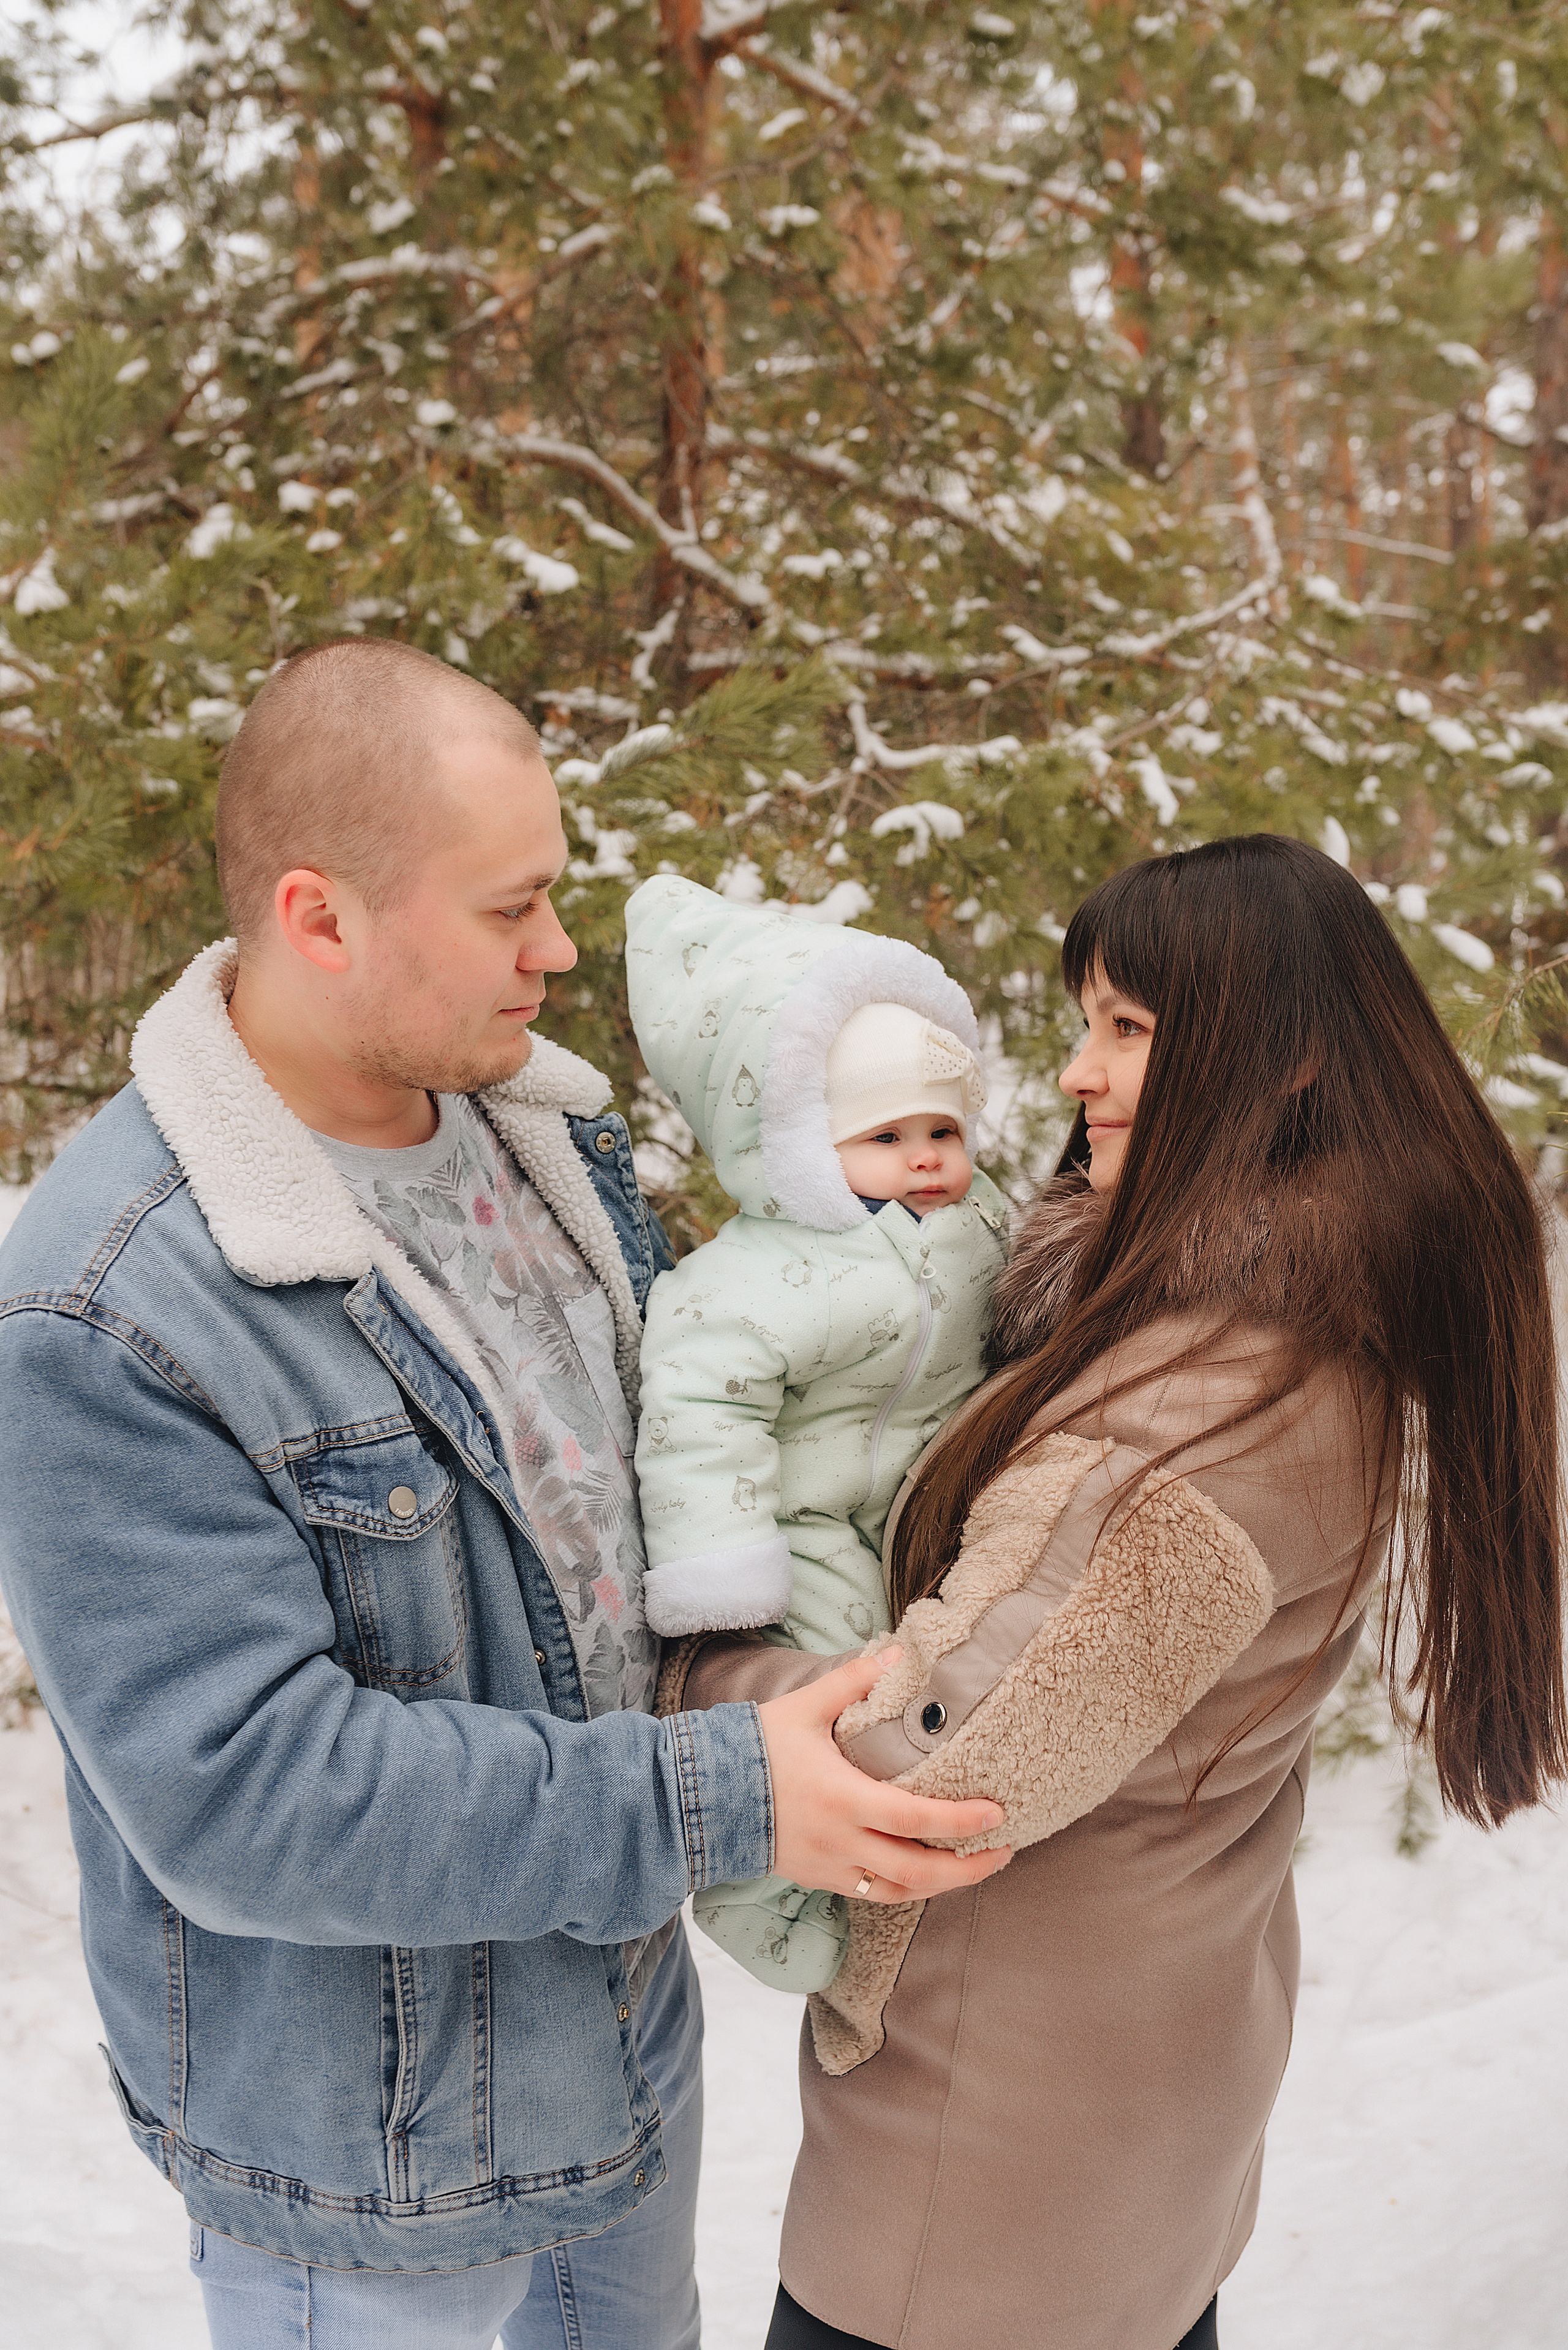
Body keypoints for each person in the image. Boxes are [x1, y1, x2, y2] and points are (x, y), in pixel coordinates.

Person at [0, 638, 1011, 2350]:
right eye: (509, 909)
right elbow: (247, 1793)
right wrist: (717, 1797)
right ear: (320, 917)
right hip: (374, 2158)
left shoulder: (543, 1128)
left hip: (619, 2044)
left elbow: (638, 1514)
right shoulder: (114, 1298)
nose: (557, 950)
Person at [668, 834, 1568, 2350]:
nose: (1077, 1072)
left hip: (991, 2177)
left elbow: (929, 1758)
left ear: (1275, 1058)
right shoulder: (1272, 1318)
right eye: (1085, 1019)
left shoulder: (1193, 1408)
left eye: (1127, 1028)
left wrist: (695, 1667)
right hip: (1133, 2091)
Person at [624, 876, 1009, 1990]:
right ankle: (765, 1902)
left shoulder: (971, 1229)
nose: (928, 1155)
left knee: (931, 1686)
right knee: (829, 1695)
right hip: (806, 1528)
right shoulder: (748, 1276)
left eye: (944, 1129)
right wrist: (721, 1578)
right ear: (799, 1142)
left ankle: (905, 1866)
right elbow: (702, 1409)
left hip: (920, 1508)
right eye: (887, 1134)